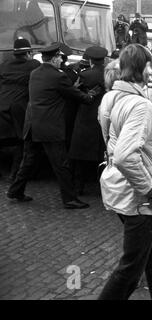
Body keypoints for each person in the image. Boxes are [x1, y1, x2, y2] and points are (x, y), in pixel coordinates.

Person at [97, 44, 152, 300]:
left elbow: (112, 148)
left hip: (119, 188)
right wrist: (151, 187)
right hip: (138, 198)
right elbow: (124, 155)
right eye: (150, 65)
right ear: (141, 68)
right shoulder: (140, 106)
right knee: (130, 270)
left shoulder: (111, 96)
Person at [6, 43, 96, 209]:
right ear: (54, 58)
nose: (61, 59)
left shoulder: (35, 73)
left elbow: (51, 92)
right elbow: (78, 96)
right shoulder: (58, 76)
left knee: (28, 161)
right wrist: (90, 95)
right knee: (61, 164)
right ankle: (69, 199)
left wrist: (69, 88)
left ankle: (15, 190)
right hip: (50, 127)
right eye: (60, 57)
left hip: (32, 124)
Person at [69, 46, 108, 196]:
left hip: (86, 117)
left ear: (90, 60)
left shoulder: (85, 75)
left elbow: (74, 91)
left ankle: (78, 186)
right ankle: (105, 188)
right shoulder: (111, 74)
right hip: (105, 117)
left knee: (81, 155)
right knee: (104, 154)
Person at [0, 37, 40, 182]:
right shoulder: (34, 65)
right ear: (29, 53)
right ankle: (14, 174)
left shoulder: (4, 66)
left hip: (2, 105)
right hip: (19, 109)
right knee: (21, 142)